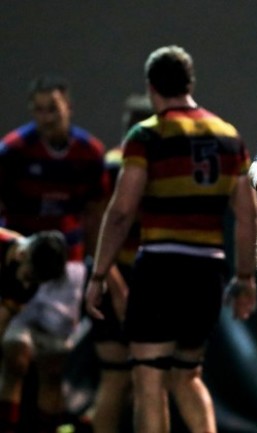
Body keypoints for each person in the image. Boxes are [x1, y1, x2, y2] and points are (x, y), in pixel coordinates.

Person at [84, 45, 257, 433]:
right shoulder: (228, 136)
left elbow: (121, 212)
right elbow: (246, 215)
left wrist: (99, 275)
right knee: (187, 375)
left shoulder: (147, 135)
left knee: (149, 378)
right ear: (190, 82)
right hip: (208, 270)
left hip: (161, 267)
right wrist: (245, 278)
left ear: (151, 88)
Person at [0, 75, 109, 433]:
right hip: (20, 261)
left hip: (66, 269)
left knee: (52, 363)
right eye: (39, 110)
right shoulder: (14, 150)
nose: (46, 117)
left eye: (53, 109)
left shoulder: (89, 153)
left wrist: (95, 264)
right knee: (14, 357)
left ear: (68, 108)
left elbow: (96, 211)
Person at [84, 93, 153, 433]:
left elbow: (96, 224)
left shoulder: (110, 163)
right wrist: (116, 283)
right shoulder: (144, 166)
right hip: (139, 272)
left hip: (111, 270)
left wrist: (106, 277)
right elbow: (106, 220)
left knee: (117, 377)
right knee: (149, 378)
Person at [0, 228, 68, 340]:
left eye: (36, 281)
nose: (26, 285)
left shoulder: (30, 284)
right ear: (21, 255)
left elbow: (2, 320)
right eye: (28, 276)